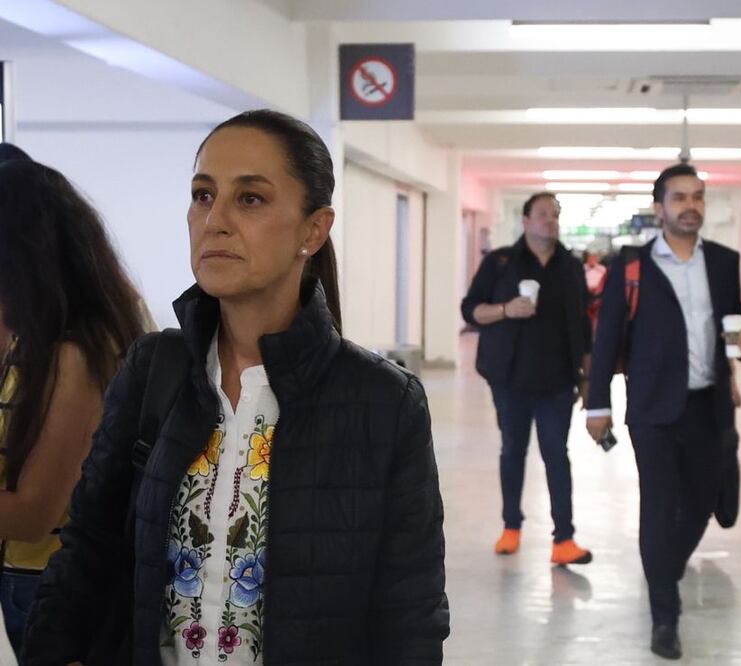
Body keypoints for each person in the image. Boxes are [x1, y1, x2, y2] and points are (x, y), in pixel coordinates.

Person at [23, 110, 450, 665]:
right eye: (203, 195)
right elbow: (88, 548)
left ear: (313, 230)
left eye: (250, 199)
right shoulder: (156, 370)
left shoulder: (384, 402)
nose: (215, 220)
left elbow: (410, 614)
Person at [586, 164, 741, 660]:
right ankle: (665, 617)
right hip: (653, 407)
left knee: (701, 501)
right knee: (659, 506)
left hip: (708, 404)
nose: (690, 205)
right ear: (660, 208)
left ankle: (663, 568)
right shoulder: (632, 266)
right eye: (679, 197)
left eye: (698, 196)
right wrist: (597, 404)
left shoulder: (723, 261)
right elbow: (608, 336)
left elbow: (732, 333)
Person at [0, 158, 147, 657]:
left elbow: (31, 515)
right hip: (29, 585)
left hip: (53, 591)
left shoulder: (79, 354)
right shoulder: (35, 344)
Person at [460, 192, 593, 566]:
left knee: (556, 455)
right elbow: (470, 310)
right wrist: (505, 310)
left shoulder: (570, 266)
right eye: (543, 214)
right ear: (526, 220)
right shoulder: (501, 262)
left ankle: (564, 539)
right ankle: (511, 527)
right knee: (513, 451)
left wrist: (587, 377)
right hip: (510, 379)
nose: (551, 221)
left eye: (556, 215)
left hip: (558, 382)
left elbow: (583, 324)